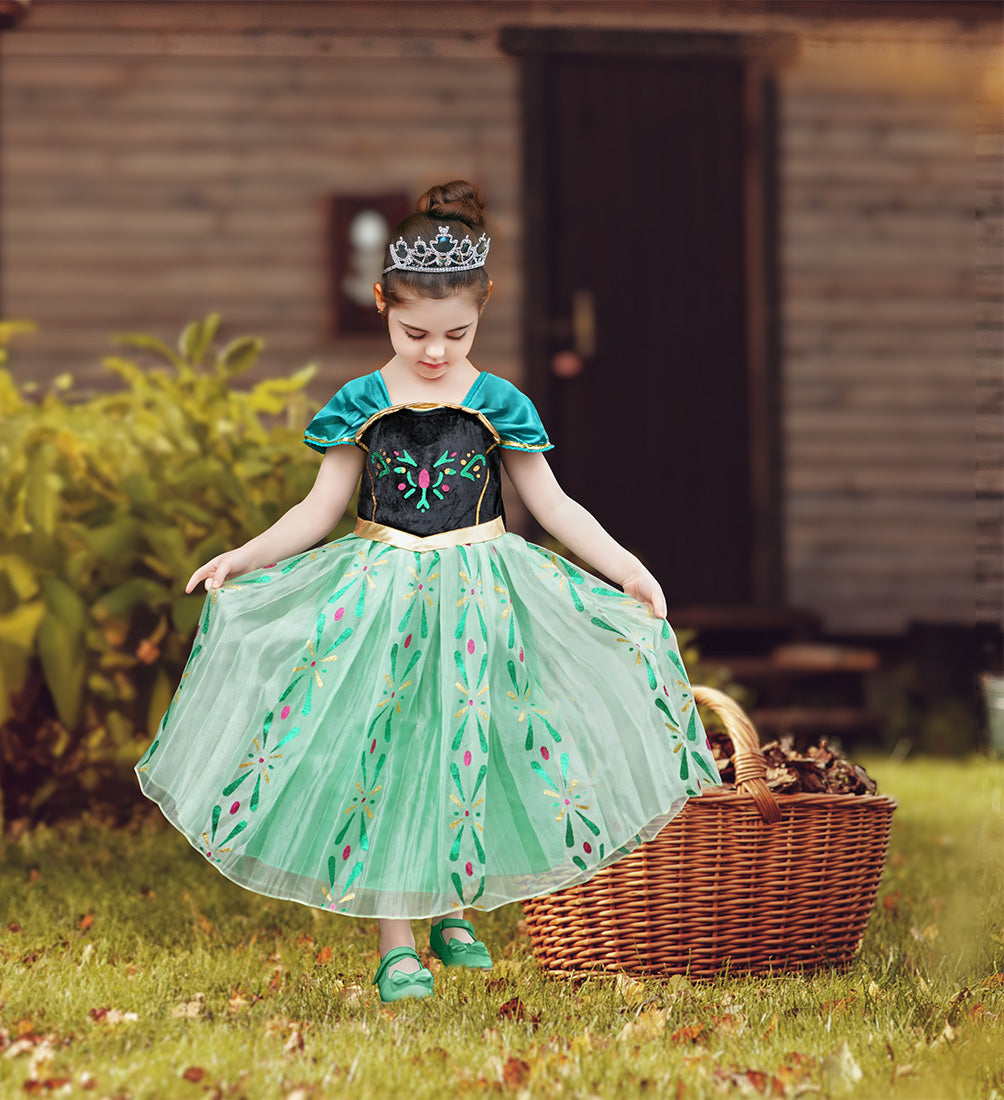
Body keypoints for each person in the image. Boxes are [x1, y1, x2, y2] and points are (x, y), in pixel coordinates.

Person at [135, 180, 719, 1003]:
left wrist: (624, 565)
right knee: (384, 746)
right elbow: (320, 508)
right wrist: (246, 555)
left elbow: (550, 505)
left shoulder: (498, 404)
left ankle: (451, 902)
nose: (436, 352)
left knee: (470, 738)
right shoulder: (362, 405)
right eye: (415, 332)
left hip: (479, 594)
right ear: (381, 304)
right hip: (377, 593)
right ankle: (397, 939)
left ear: (485, 309)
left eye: (457, 333)